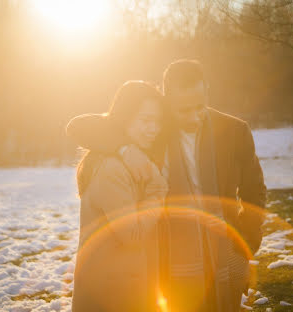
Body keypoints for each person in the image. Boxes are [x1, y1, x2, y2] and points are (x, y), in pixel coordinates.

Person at [67, 59, 267, 312]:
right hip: (171, 258)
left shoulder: (234, 131)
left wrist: (246, 247)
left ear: (207, 91)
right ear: (168, 101)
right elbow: (79, 127)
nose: (194, 117)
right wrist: (124, 148)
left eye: (200, 106)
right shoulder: (159, 126)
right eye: (183, 110)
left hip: (224, 253)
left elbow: (254, 192)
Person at [71, 81, 168, 312]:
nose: (153, 128)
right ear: (124, 119)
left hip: (123, 285)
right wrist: (157, 191)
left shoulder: (133, 159)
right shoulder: (112, 168)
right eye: (145, 120)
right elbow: (133, 233)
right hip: (111, 293)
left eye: (157, 122)